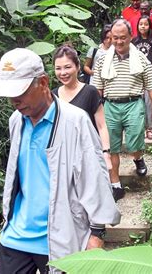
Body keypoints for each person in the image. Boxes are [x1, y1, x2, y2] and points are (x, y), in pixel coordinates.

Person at [0, 48, 120, 273]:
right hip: (16, 235)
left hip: (61, 236)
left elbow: (94, 177)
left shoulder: (75, 121)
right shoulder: (16, 120)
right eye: (10, 94)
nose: (14, 101)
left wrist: (97, 233)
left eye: (20, 92)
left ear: (42, 82)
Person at [92, 19, 152, 200]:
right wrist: (94, 111)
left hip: (134, 104)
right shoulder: (102, 61)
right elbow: (97, 87)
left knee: (133, 144)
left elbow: (151, 83)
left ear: (131, 37)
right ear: (110, 38)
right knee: (111, 147)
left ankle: (137, 158)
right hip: (110, 106)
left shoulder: (141, 59)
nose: (119, 41)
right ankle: (115, 185)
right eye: (115, 38)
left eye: (123, 37)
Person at [52, 45, 120, 200]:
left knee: (94, 198)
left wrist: (106, 154)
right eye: (58, 68)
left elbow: (102, 126)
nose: (63, 73)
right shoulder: (53, 96)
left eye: (67, 67)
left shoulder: (90, 91)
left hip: (89, 154)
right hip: (64, 157)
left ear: (77, 67)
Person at [132, 15, 152, 140]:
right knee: (137, 102)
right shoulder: (133, 41)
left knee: (148, 102)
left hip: (148, 75)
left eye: (146, 24)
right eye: (141, 24)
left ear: (149, 26)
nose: (143, 26)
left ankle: (149, 129)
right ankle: (138, 129)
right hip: (136, 75)